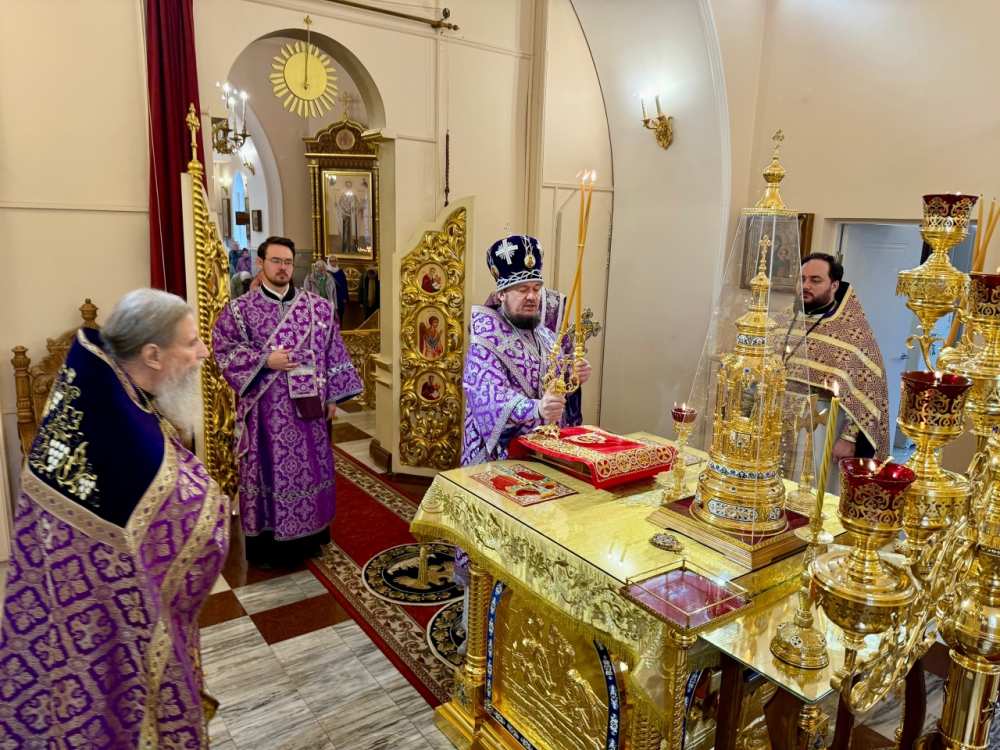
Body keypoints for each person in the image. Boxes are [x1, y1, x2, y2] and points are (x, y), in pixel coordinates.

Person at [0, 288, 230, 747]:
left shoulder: (109, 395)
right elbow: (193, 522)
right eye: (191, 342)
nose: (204, 352)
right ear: (152, 354)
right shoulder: (123, 436)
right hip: (103, 627)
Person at [213, 236, 363, 566]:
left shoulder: (318, 308)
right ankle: (269, 546)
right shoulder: (240, 310)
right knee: (268, 473)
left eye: (288, 262)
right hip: (265, 415)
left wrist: (333, 396)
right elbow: (223, 350)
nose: (282, 268)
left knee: (309, 471)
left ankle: (310, 538)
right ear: (261, 263)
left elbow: (333, 351)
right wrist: (265, 361)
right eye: (276, 261)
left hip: (309, 412)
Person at [461, 234, 591, 465]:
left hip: (543, 451)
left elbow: (555, 387)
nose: (532, 297)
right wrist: (536, 409)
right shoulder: (485, 340)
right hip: (499, 457)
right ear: (501, 294)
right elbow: (487, 398)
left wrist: (573, 377)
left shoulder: (547, 336)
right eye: (522, 289)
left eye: (536, 288)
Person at [784, 252, 889, 460]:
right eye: (802, 279)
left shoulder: (854, 333)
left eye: (815, 280)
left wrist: (849, 438)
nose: (806, 286)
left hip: (822, 428)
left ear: (834, 285)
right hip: (777, 423)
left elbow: (868, 392)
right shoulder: (784, 321)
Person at [325, 255, 349, 319]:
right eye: (331, 261)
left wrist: (345, 297)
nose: (333, 262)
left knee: (340, 313)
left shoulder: (340, 271)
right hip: (330, 295)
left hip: (340, 296)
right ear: (328, 262)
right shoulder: (326, 272)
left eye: (335, 261)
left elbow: (344, 284)